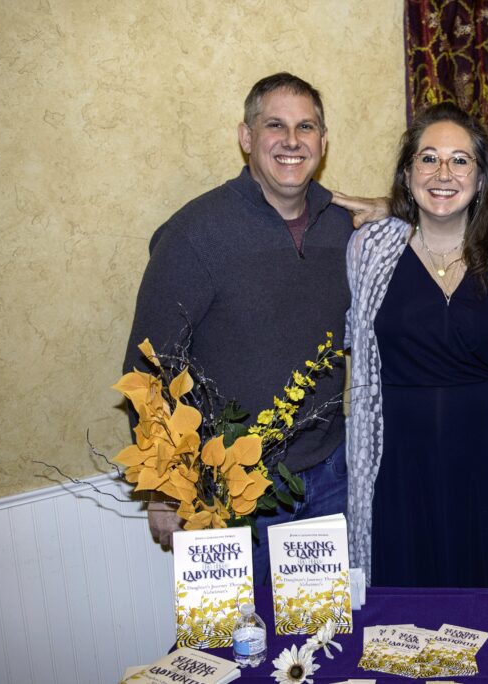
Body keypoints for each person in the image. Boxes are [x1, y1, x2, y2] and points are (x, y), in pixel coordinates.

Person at [123, 72, 352, 585]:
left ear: (323, 140)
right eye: (275, 125)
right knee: (234, 643)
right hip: (225, 492)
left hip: (329, 477)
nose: (292, 141)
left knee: (320, 634)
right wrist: (163, 488)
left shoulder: (343, 226)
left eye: (306, 126)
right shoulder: (194, 234)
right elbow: (148, 368)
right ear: (246, 137)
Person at [344, 103, 488, 588]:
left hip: (485, 470)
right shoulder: (369, 250)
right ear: (407, 175)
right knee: (399, 620)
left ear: (482, 177)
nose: (443, 173)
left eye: (460, 160)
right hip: (397, 470)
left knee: (484, 617)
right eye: (428, 159)